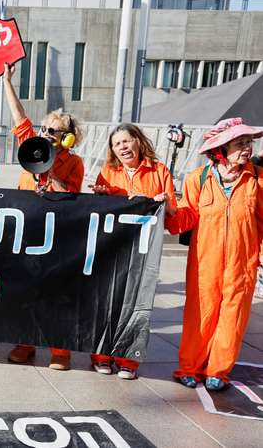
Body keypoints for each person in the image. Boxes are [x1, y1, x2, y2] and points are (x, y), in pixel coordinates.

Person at [166, 117, 263, 391]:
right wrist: (171, 211)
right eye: (240, 143)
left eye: (249, 143)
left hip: (243, 262)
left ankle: (218, 372)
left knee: (233, 316)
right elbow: (185, 220)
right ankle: (189, 367)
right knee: (201, 313)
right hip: (204, 261)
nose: (248, 148)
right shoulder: (197, 179)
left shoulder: (257, 178)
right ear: (220, 149)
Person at [3, 62, 84, 370]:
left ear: (67, 138)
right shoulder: (30, 146)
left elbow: (72, 195)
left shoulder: (73, 163)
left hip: (58, 231)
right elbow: (18, 116)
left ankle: (59, 351)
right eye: (45, 128)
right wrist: (7, 82)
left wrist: (50, 171)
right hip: (29, 228)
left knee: (56, 290)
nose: (47, 134)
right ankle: (25, 344)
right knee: (26, 288)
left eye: (54, 131)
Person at [89, 123, 177, 379]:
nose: (123, 147)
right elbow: (98, 210)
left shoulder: (159, 170)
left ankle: (129, 360)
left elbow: (172, 214)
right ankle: (102, 356)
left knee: (138, 303)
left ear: (138, 141)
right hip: (114, 249)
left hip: (144, 250)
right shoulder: (107, 172)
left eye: (127, 141)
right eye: (117, 144)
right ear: (112, 151)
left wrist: (165, 202)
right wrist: (102, 195)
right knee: (108, 300)